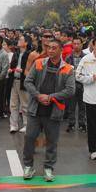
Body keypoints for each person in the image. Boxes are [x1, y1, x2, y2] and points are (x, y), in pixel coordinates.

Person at [22, 39, 75, 182]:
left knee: (52, 141)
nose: (50, 50)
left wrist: (50, 97)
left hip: (54, 111)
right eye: (49, 48)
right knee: (30, 137)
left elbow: (70, 90)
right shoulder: (39, 63)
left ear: (61, 50)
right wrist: (38, 95)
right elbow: (27, 81)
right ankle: (28, 166)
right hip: (35, 109)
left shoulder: (68, 68)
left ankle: (48, 168)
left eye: (54, 48)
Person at [9, 35, 31, 133]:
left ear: (26, 43)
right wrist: (11, 69)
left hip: (24, 81)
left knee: (25, 104)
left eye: (21, 40)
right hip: (14, 80)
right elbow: (12, 64)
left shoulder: (29, 54)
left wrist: (23, 71)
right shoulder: (16, 53)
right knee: (13, 104)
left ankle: (27, 125)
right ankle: (13, 125)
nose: (18, 41)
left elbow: (31, 69)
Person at [65, 36, 86, 133]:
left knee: (83, 106)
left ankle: (82, 124)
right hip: (72, 84)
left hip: (83, 84)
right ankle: (71, 123)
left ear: (82, 45)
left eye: (78, 43)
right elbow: (64, 71)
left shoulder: (86, 57)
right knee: (71, 106)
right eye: (75, 44)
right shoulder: (68, 57)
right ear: (72, 45)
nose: (76, 46)